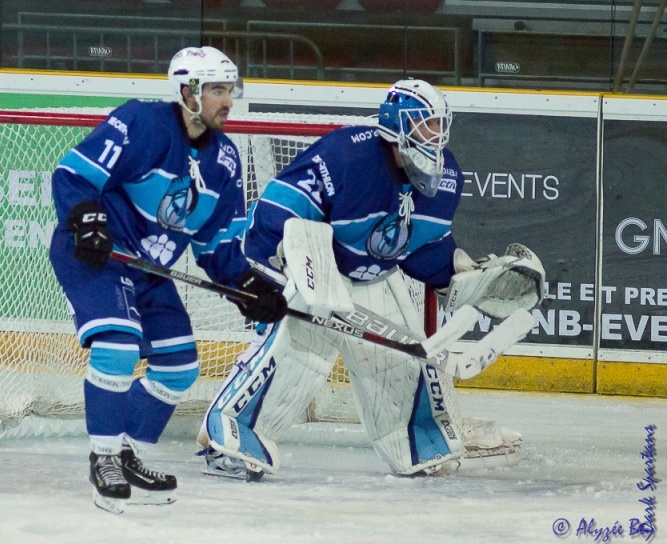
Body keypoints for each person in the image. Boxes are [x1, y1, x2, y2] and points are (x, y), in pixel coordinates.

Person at [197, 79, 542, 480]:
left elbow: (419, 247)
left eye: (438, 124)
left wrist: (459, 272)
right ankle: (229, 440)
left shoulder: (448, 177)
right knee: (296, 359)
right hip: (319, 273)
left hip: (378, 279)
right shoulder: (346, 155)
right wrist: (266, 272)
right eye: (424, 124)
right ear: (396, 124)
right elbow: (279, 206)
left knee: (398, 363)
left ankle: (414, 444)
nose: (434, 135)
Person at [48, 46, 287, 513]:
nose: (227, 101)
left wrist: (250, 287)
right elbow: (72, 174)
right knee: (117, 347)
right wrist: (87, 217)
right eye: (216, 90)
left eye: (228, 90)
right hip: (99, 255)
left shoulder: (225, 159)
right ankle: (103, 458)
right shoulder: (142, 122)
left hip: (148, 271)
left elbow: (218, 247)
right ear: (187, 92)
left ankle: (129, 454)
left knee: (179, 366)